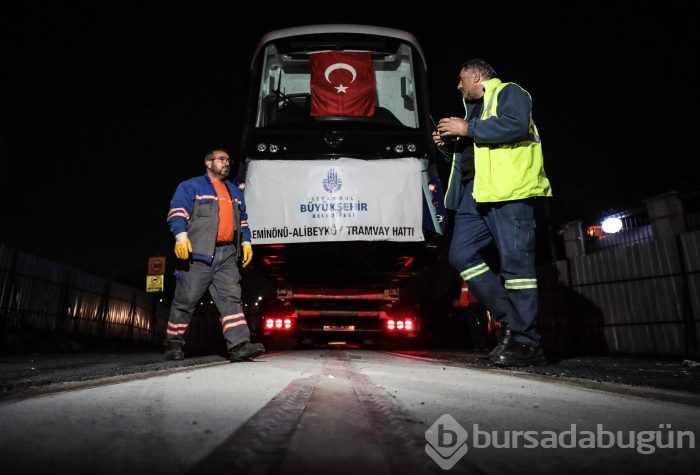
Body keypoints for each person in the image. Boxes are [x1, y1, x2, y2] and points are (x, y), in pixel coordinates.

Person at [433, 59, 552, 366]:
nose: (458, 86)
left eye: (461, 79)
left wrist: (467, 127)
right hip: (475, 195)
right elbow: (476, 150)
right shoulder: (475, 111)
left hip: (508, 193)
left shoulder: (510, 92)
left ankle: (526, 342)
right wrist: (451, 140)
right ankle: (513, 324)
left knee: (516, 266)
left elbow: (514, 125)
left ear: (477, 75)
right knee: (460, 255)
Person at [164, 149, 265, 362]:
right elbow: (177, 212)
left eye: (228, 160)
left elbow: (243, 221)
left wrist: (246, 242)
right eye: (221, 159)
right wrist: (181, 237)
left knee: (231, 299)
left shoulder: (235, 192)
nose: (226, 163)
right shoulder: (190, 186)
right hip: (198, 253)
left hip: (227, 254)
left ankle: (239, 345)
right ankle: (174, 343)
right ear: (208, 163)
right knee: (186, 299)